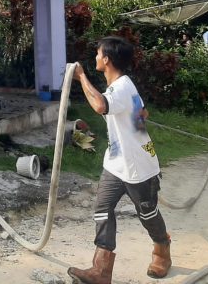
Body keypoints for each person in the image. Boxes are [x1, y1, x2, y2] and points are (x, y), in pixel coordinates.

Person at [68, 36, 171, 283]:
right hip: (115, 164)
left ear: (107, 59)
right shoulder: (124, 86)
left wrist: (81, 77)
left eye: (97, 53)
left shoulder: (122, 87)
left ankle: (162, 250)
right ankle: (100, 270)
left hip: (139, 166)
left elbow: (101, 106)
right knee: (102, 210)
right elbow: (142, 113)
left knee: (147, 214)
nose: (95, 58)